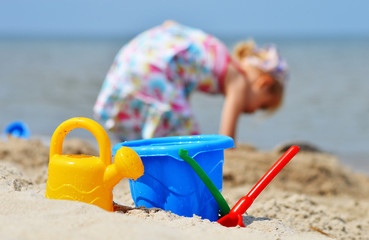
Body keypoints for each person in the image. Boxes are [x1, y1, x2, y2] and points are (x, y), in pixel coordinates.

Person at [94, 21, 288, 141]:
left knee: (146, 125)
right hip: (158, 70)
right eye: (262, 106)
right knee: (187, 136)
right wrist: (228, 151)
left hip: (134, 58)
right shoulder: (238, 81)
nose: (253, 111)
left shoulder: (215, 49)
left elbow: (170, 24)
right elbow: (226, 138)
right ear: (263, 83)